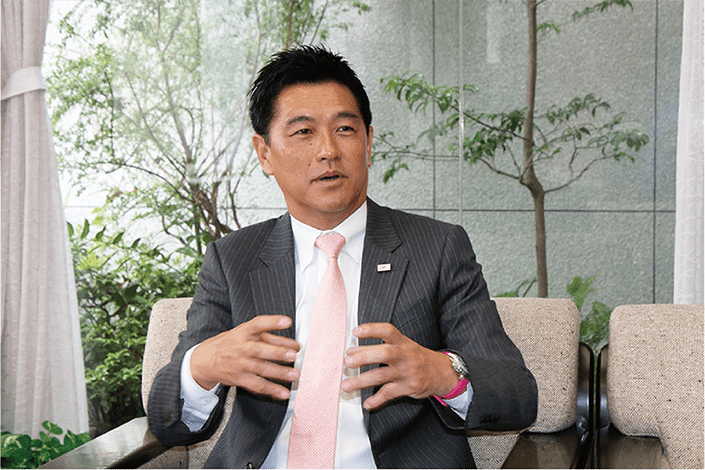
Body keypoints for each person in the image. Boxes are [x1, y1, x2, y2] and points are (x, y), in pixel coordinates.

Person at [148, 45, 537, 469]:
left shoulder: (437, 247)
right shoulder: (233, 259)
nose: (328, 150)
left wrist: (441, 373)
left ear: (368, 142)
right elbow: (170, 421)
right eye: (303, 132)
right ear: (265, 153)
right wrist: (203, 367)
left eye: (345, 129)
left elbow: (516, 395)